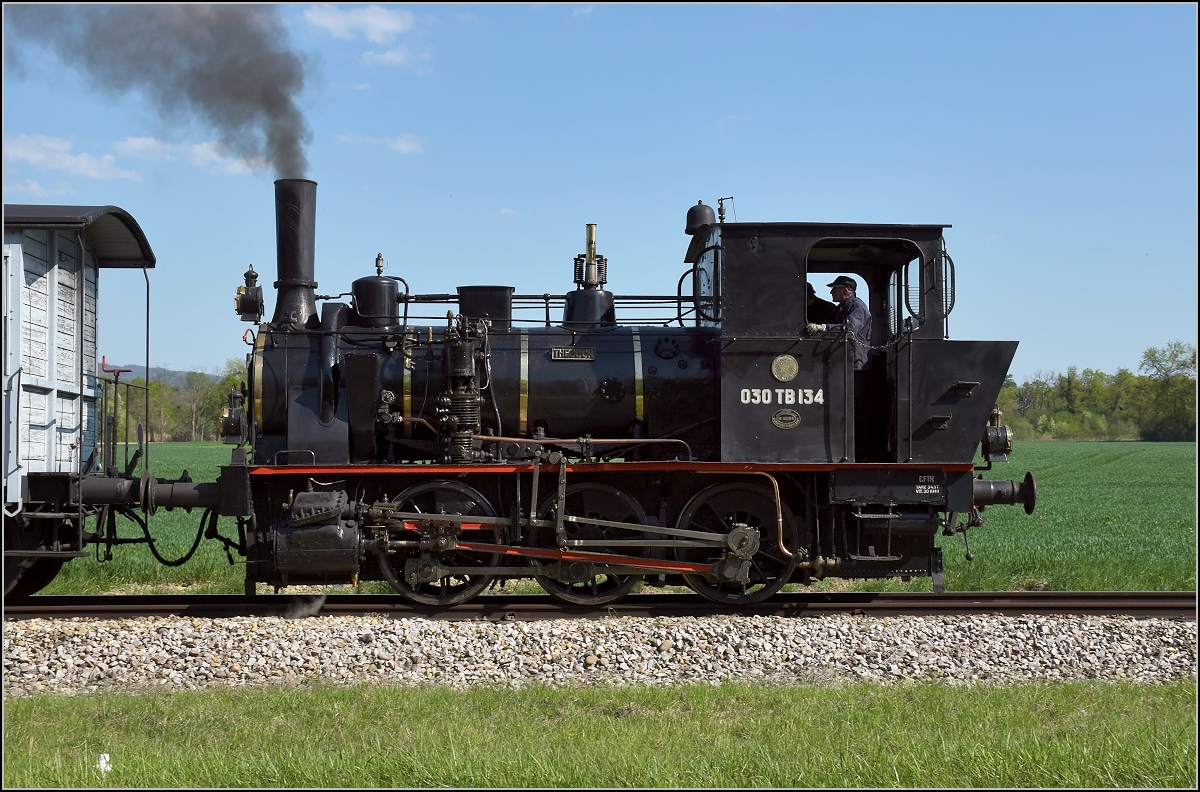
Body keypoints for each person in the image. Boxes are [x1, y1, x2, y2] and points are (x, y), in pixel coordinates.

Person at [806, 275, 875, 460]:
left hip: (856, 366)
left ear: (845, 291)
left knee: (857, 410)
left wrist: (823, 328)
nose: (830, 292)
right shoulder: (842, 308)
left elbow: (850, 328)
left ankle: (862, 453)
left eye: (834, 288)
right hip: (845, 364)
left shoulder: (857, 307)